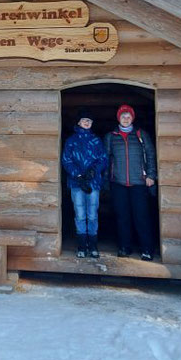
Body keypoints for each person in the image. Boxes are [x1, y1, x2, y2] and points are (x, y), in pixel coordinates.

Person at [105, 104, 157, 261]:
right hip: (118, 183)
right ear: (118, 118)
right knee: (122, 217)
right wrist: (107, 180)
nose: (126, 119)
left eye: (128, 116)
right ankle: (124, 247)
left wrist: (151, 175)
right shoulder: (111, 136)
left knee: (141, 217)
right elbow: (105, 159)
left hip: (139, 183)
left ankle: (146, 249)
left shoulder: (141, 135)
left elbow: (150, 155)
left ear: (132, 118)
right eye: (123, 116)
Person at [61, 107, 108, 258]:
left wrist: (93, 171)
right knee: (80, 214)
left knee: (92, 214)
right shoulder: (71, 141)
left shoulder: (96, 140)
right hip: (76, 184)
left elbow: (103, 159)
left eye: (89, 121)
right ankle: (81, 246)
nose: (87, 123)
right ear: (79, 122)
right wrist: (78, 175)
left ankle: (93, 246)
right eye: (84, 120)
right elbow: (66, 160)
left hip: (93, 183)